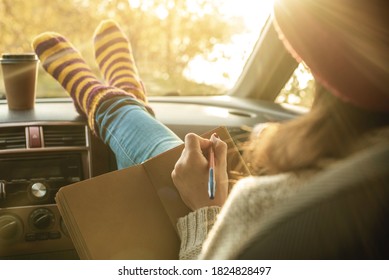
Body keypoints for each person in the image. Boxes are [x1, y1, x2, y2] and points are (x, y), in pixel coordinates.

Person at [32, 0, 389, 259]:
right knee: (165, 159)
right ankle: (119, 101)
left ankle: (106, 102)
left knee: (169, 165)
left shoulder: (269, 206)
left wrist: (204, 209)